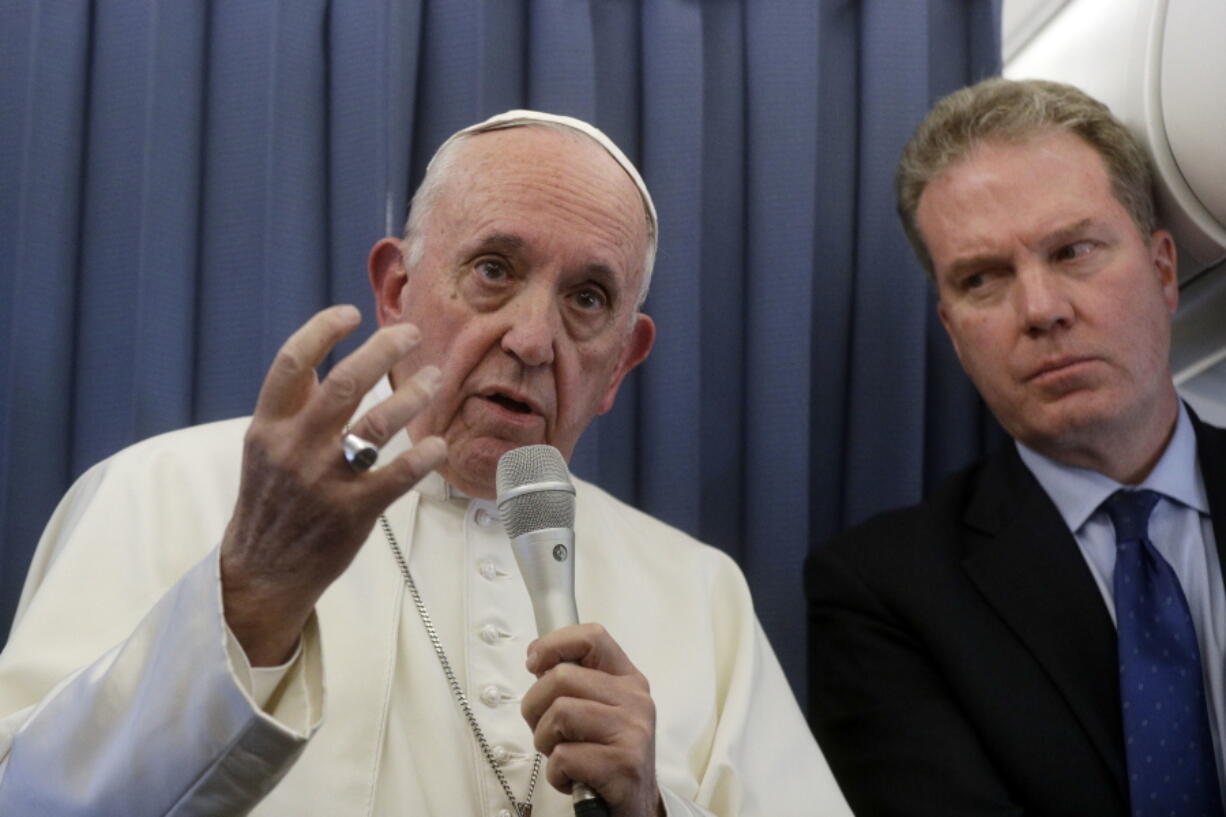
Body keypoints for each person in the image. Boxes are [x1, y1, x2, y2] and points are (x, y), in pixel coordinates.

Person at [0, 111, 850, 817]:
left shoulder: (702, 593)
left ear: (621, 364)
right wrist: (250, 595)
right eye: (493, 269)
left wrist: (652, 811)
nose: (530, 338)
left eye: (586, 299)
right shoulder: (165, 491)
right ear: (396, 290)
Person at [807, 77, 1226, 816]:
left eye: (1073, 251)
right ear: (953, 330)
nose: (1041, 310)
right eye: (983, 279)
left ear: (1163, 270)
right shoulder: (882, 593)